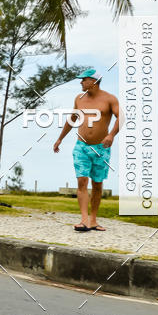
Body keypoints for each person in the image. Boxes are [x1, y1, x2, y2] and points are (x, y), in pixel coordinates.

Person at [53, 69, 120, 232]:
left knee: (97, 184)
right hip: (81, 147)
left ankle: (93, 220)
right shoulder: (79, 98)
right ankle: (84, 220)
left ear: (93, 81)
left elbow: (121, 117)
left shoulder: (110, 99)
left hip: (101, 149)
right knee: (82, 181)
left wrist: (111, 135)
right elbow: (72, 119)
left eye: (84, 80)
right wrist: (60, 138)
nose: (81, 82)